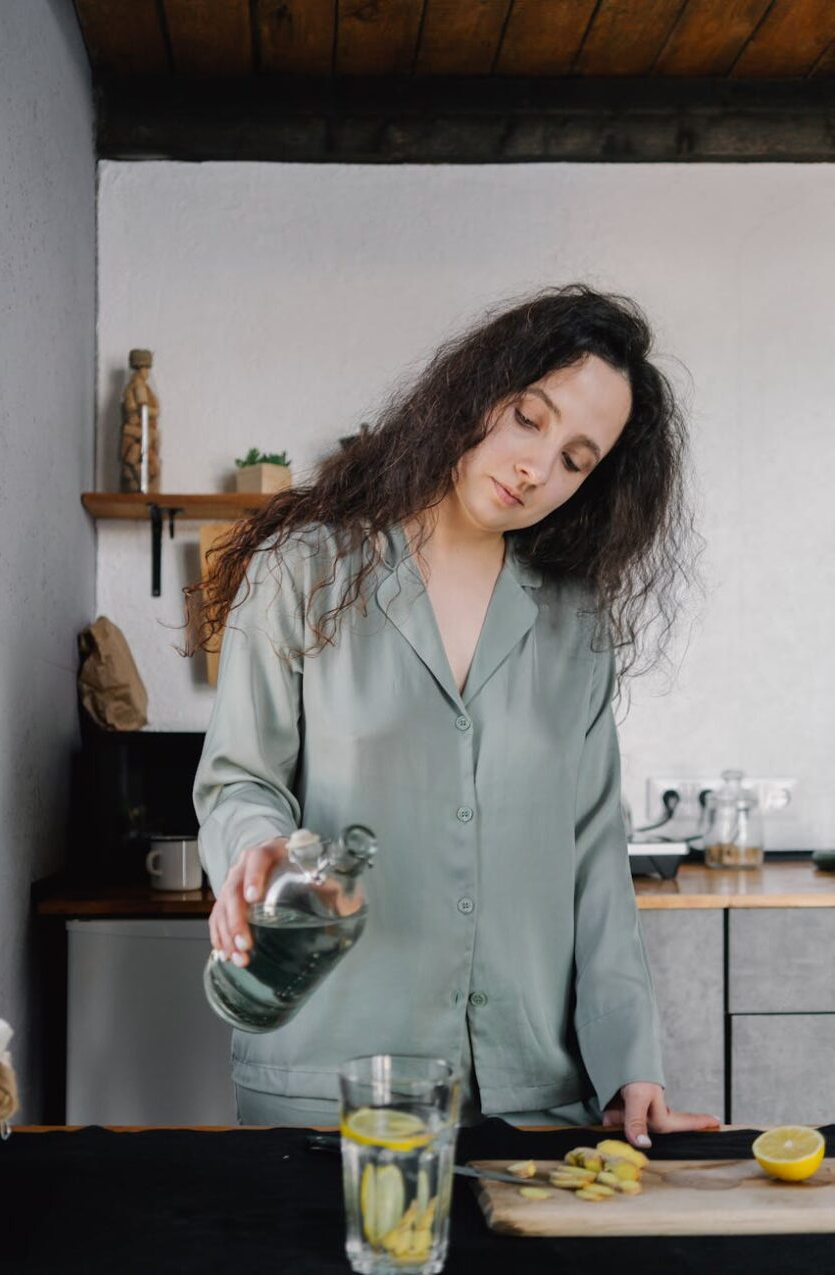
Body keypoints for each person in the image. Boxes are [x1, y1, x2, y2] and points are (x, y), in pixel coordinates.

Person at [188, 283, 721, 1147]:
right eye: (529, 418)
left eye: (577, 459)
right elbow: (239, 779)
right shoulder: (306, 573)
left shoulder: (574, 620)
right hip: (335, 1082)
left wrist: (632, 1061)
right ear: (476, 393)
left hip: (534, 1094)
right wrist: (256, 851)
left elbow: (594, 861)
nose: (537, 468)